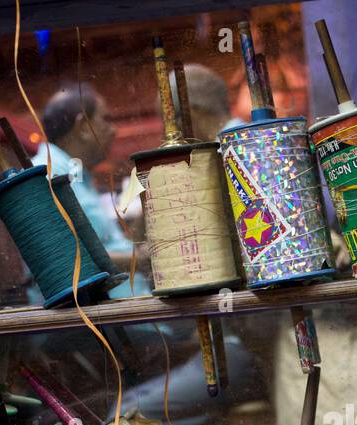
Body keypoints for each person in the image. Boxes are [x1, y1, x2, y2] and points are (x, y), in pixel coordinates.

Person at [33, 85, 147, 295]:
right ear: (83, 127)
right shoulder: (45, 174)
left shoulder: (75, 174)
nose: (114, 130)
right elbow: (65, 260)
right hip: (104, 322)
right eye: (106, 119)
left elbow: (105, 247)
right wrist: (141, 260)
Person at [162, 63, 245, 141]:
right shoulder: (245, 138)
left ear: (189, 116)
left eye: (173, 126)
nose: (172, 138)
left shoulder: (230, 148)